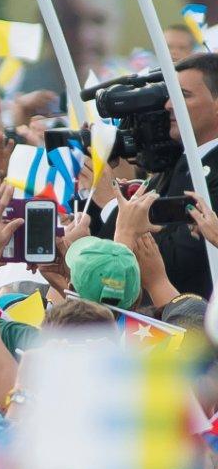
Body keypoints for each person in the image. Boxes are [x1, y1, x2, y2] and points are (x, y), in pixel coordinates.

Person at [89, 53, 218, 297]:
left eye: (183, 95)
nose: (169, 105)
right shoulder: (176, 164)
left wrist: (111, 206)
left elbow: (177, 265)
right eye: (169, 95)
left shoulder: (209, 172)